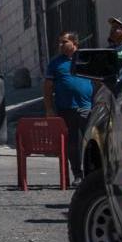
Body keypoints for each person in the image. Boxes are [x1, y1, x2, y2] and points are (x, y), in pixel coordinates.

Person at [43, 31, 93, 186]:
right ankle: (78, 174)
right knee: (72, 144)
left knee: (91, 142)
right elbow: (47, 88)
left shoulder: (86, 59)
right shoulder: (55, 63)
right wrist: (49, 109)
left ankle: (92, 175)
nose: (60, 45)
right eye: (60, 42)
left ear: (74, 43)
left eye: (64, 41)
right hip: (66, 109)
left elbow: (97, 82)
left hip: (86, 108)